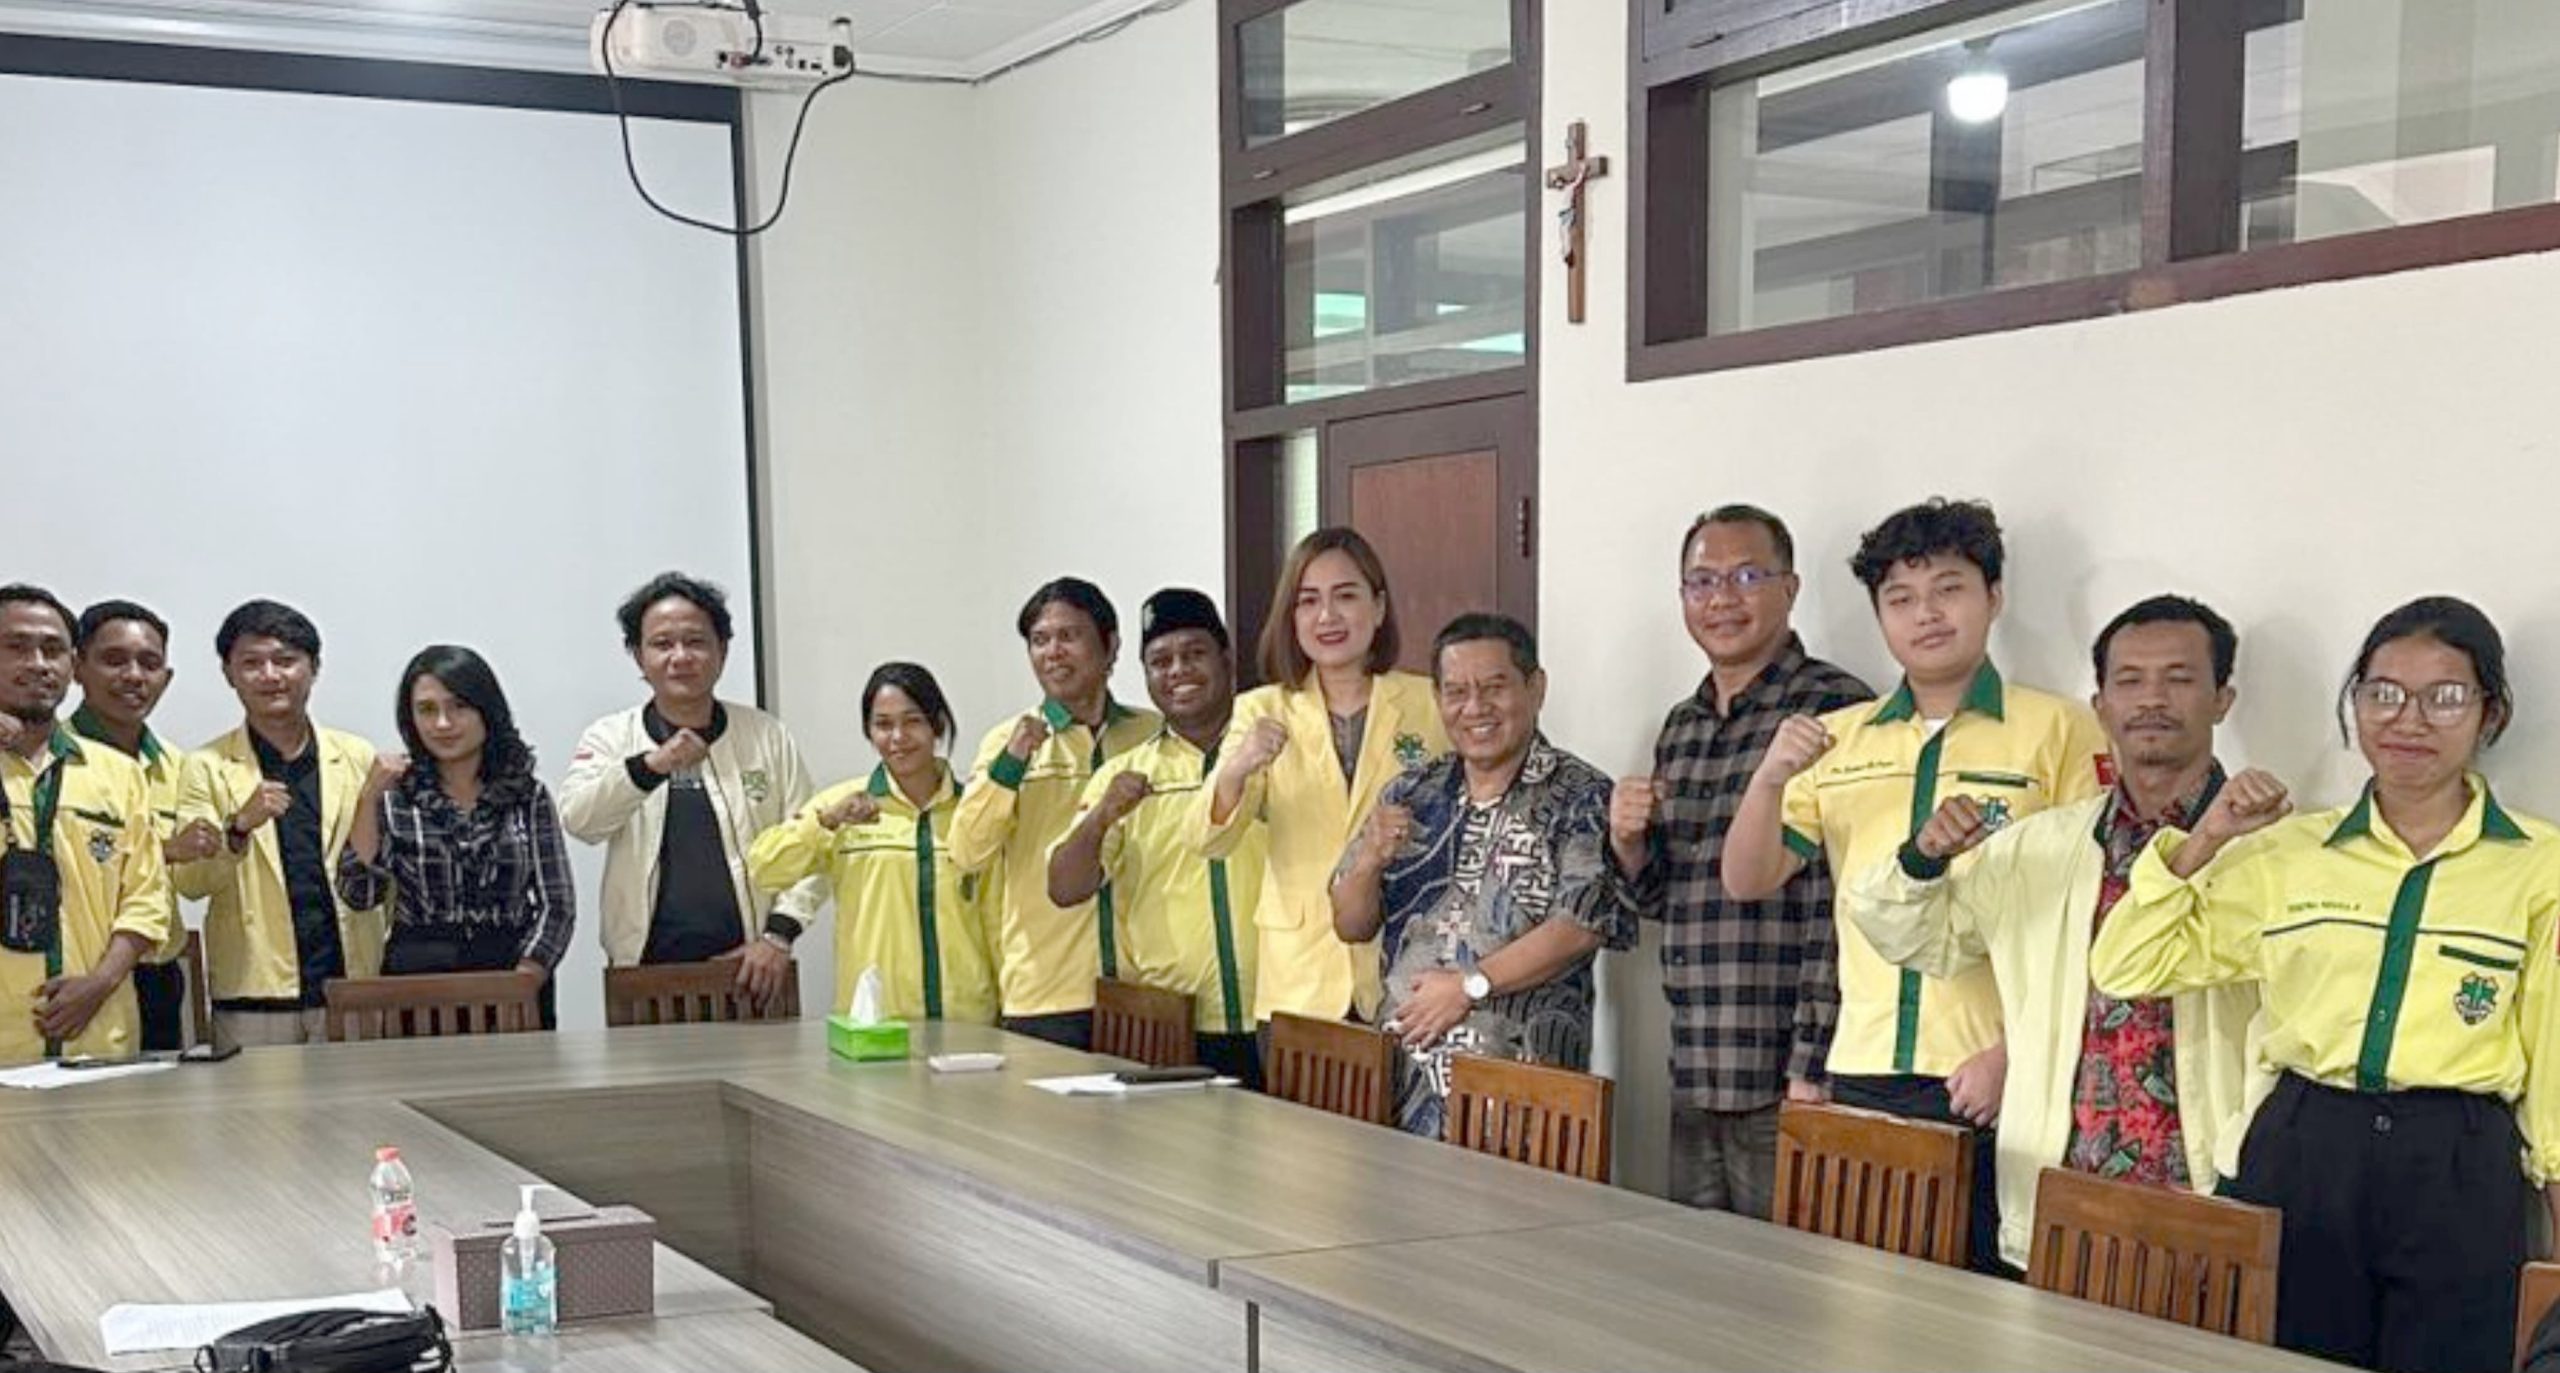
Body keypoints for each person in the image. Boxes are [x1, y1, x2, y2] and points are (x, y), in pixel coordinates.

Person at [2092, 596, 2560, 1373]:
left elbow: (2553, 1056)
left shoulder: (2541, 865)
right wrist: (2205, 838)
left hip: (2459, 1160)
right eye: (2383, 692)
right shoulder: (2289, 850)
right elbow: (2128, 963)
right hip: (2306, 1143)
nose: (2408, 719)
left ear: (2492, 712)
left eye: (2444, 696)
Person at [1721, 498, 2107, 1272]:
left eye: (1948, 589)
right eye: (1900, 598)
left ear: (1994, 596)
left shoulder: (2060, 729)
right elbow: (1747, 877)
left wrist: (2012, 1054)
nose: (1925, 614)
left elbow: (2094, 915)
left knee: (1992, 1300)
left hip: (1995, 1073)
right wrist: (1768, 778)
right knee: (1867, 1297)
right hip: (1865, 1066)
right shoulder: (1840, 738)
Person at [1845, 595, 2261, 1271]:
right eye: (2130, 680)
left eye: (2179, 678)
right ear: (2101, 706)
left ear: (2223, 699)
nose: (2152, 699)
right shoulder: (2038, 846)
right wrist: (1923, 858)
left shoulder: (2271, 850)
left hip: (2211, 1197)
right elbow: (1921, 940)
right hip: (2063, 1196)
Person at [1610, 507, 1873, 1220]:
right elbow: (1665, 899)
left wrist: (1811, 1065)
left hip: (1785, 1071)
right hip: (1696, 1063)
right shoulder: (1682, 724)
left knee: (1789, 1277)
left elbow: (1839, 905)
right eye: (1702, 581)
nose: (1722, 598)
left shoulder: (1834, 709)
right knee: (1699, 1272)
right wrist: (1629, 844)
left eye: (1747, 576)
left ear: (1790, 588)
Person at [1330, 614, 1636, 1138]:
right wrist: (1368, 862)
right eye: (1456, 692)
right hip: (1404, 1086)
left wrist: (1470, 986)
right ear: (1438, 698)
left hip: (1522, 1090)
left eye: (1494, 688)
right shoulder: (1410, 792)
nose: (1474, 707)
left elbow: (1580, 926)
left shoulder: (1581, 794)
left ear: (1536, 689)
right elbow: (1350, 925)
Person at [1199, 528, 1447, 1030]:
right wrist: (1238, 767)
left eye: (1345, 596)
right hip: (1300, 981)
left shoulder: (1429, 701)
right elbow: (1209, 839)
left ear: (1379, 607)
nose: (1327, 616)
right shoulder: (1261, 709)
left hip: (1407, 975)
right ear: (1291, 618)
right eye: (1308, 601)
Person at [559, 573, 820, 1008]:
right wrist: (651, 765)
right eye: (662, 644)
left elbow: (814, 842)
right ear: (638, 656)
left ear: (723, 650)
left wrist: (778, 936)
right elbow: (580, 820)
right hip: (643, 973)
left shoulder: (766, 736)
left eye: (696, 642)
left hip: (752, 970)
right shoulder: (610, 737)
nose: (680, 657)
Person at [1048, 590, 1263, 1085]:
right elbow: (1064, 888)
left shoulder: (1271, 754)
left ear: (1227, 659)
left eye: (1194, 653)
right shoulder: (1124, 775)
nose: (1178, 671)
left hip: (1279, 1014)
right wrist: (1101, 817)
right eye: (1160, 661)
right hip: (1170, 1025)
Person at [950, 578, 1160, 1050]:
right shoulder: (1009, 743)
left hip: (1145, 990)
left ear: (1111, 646)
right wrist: (1011, 764)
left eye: (1069, 636)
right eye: (1040, 640)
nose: (1053, 652)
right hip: (1049, 995)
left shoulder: (1151, 733)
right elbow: (967, 851)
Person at [172, 600, 384, 1049]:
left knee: (364, 1097)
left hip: (350, 987)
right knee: (255, 1099)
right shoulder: (205, 766)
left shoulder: (358, 757)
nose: (270, 675)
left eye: (285, 660)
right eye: (251, 663)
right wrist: (238, 827)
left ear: (314, 667)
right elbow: (190, 883)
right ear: (229, 674)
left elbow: (380, 871)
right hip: (254, 995)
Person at [336, 647, 575, 1028]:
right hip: (418, 978)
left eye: (459, 707)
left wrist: (525, 978)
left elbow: (557, 903)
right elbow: (359, 894)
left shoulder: (527, 794)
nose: (443, 723)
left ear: (486, 710)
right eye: (427, 710)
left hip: (513, 972)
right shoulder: (395, 794)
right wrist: (368, 799)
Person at [748, 662, 996, 1023]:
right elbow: (765, 870)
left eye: (912, 721)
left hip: (968, 1021)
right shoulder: (842, 806)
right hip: (874, 1023)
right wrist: (825, 822)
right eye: (883, 724)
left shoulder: (973, 810)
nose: (898, 737)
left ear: (938, 725)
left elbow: (998, 917)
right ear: (869, 731)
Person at [0, 585, 172, 1066]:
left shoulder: (119, 774)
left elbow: (147, 898)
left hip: (99, 1035)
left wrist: (100, 983)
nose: (38, 663)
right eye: (16, 646)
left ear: (73, 665)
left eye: (53, 649)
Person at [70, 599, 220, 1050]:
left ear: (166, 679)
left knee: (156, 1096)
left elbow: (194, 882)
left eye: (149, 663)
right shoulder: (47, 758)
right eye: (114, 660)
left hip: (157, 974)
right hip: (74, 975)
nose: (133, 675)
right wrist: (165, 849)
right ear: (77, 668)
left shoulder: (180, 766)